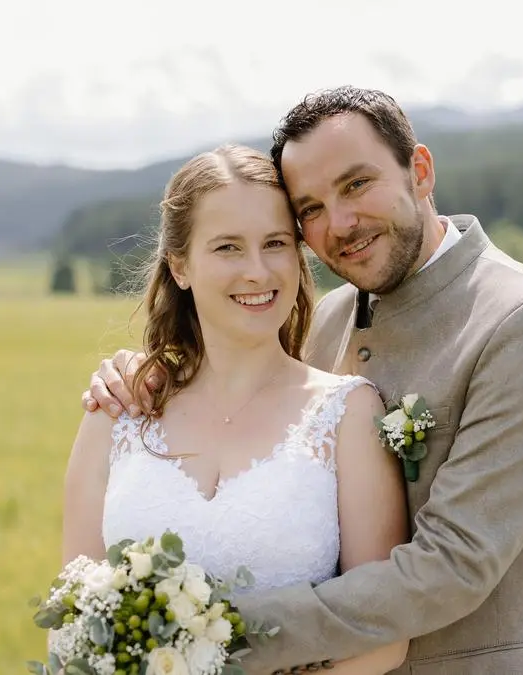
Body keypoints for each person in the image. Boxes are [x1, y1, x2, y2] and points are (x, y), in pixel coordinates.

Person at [81, 86, 523, 675]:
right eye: (311, 209)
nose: (341, 224)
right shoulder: (330, 318)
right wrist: (149, 372)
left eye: (356, 185)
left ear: (420, 171)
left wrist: (199, 636)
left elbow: (454, 564)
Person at [58, 143, 412, 674]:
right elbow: (71, 623)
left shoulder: (348, 416)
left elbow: (383, 638)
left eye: (275, 243)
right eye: (228, 247)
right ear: (179, 266)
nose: (257, 271)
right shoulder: (117, 411)